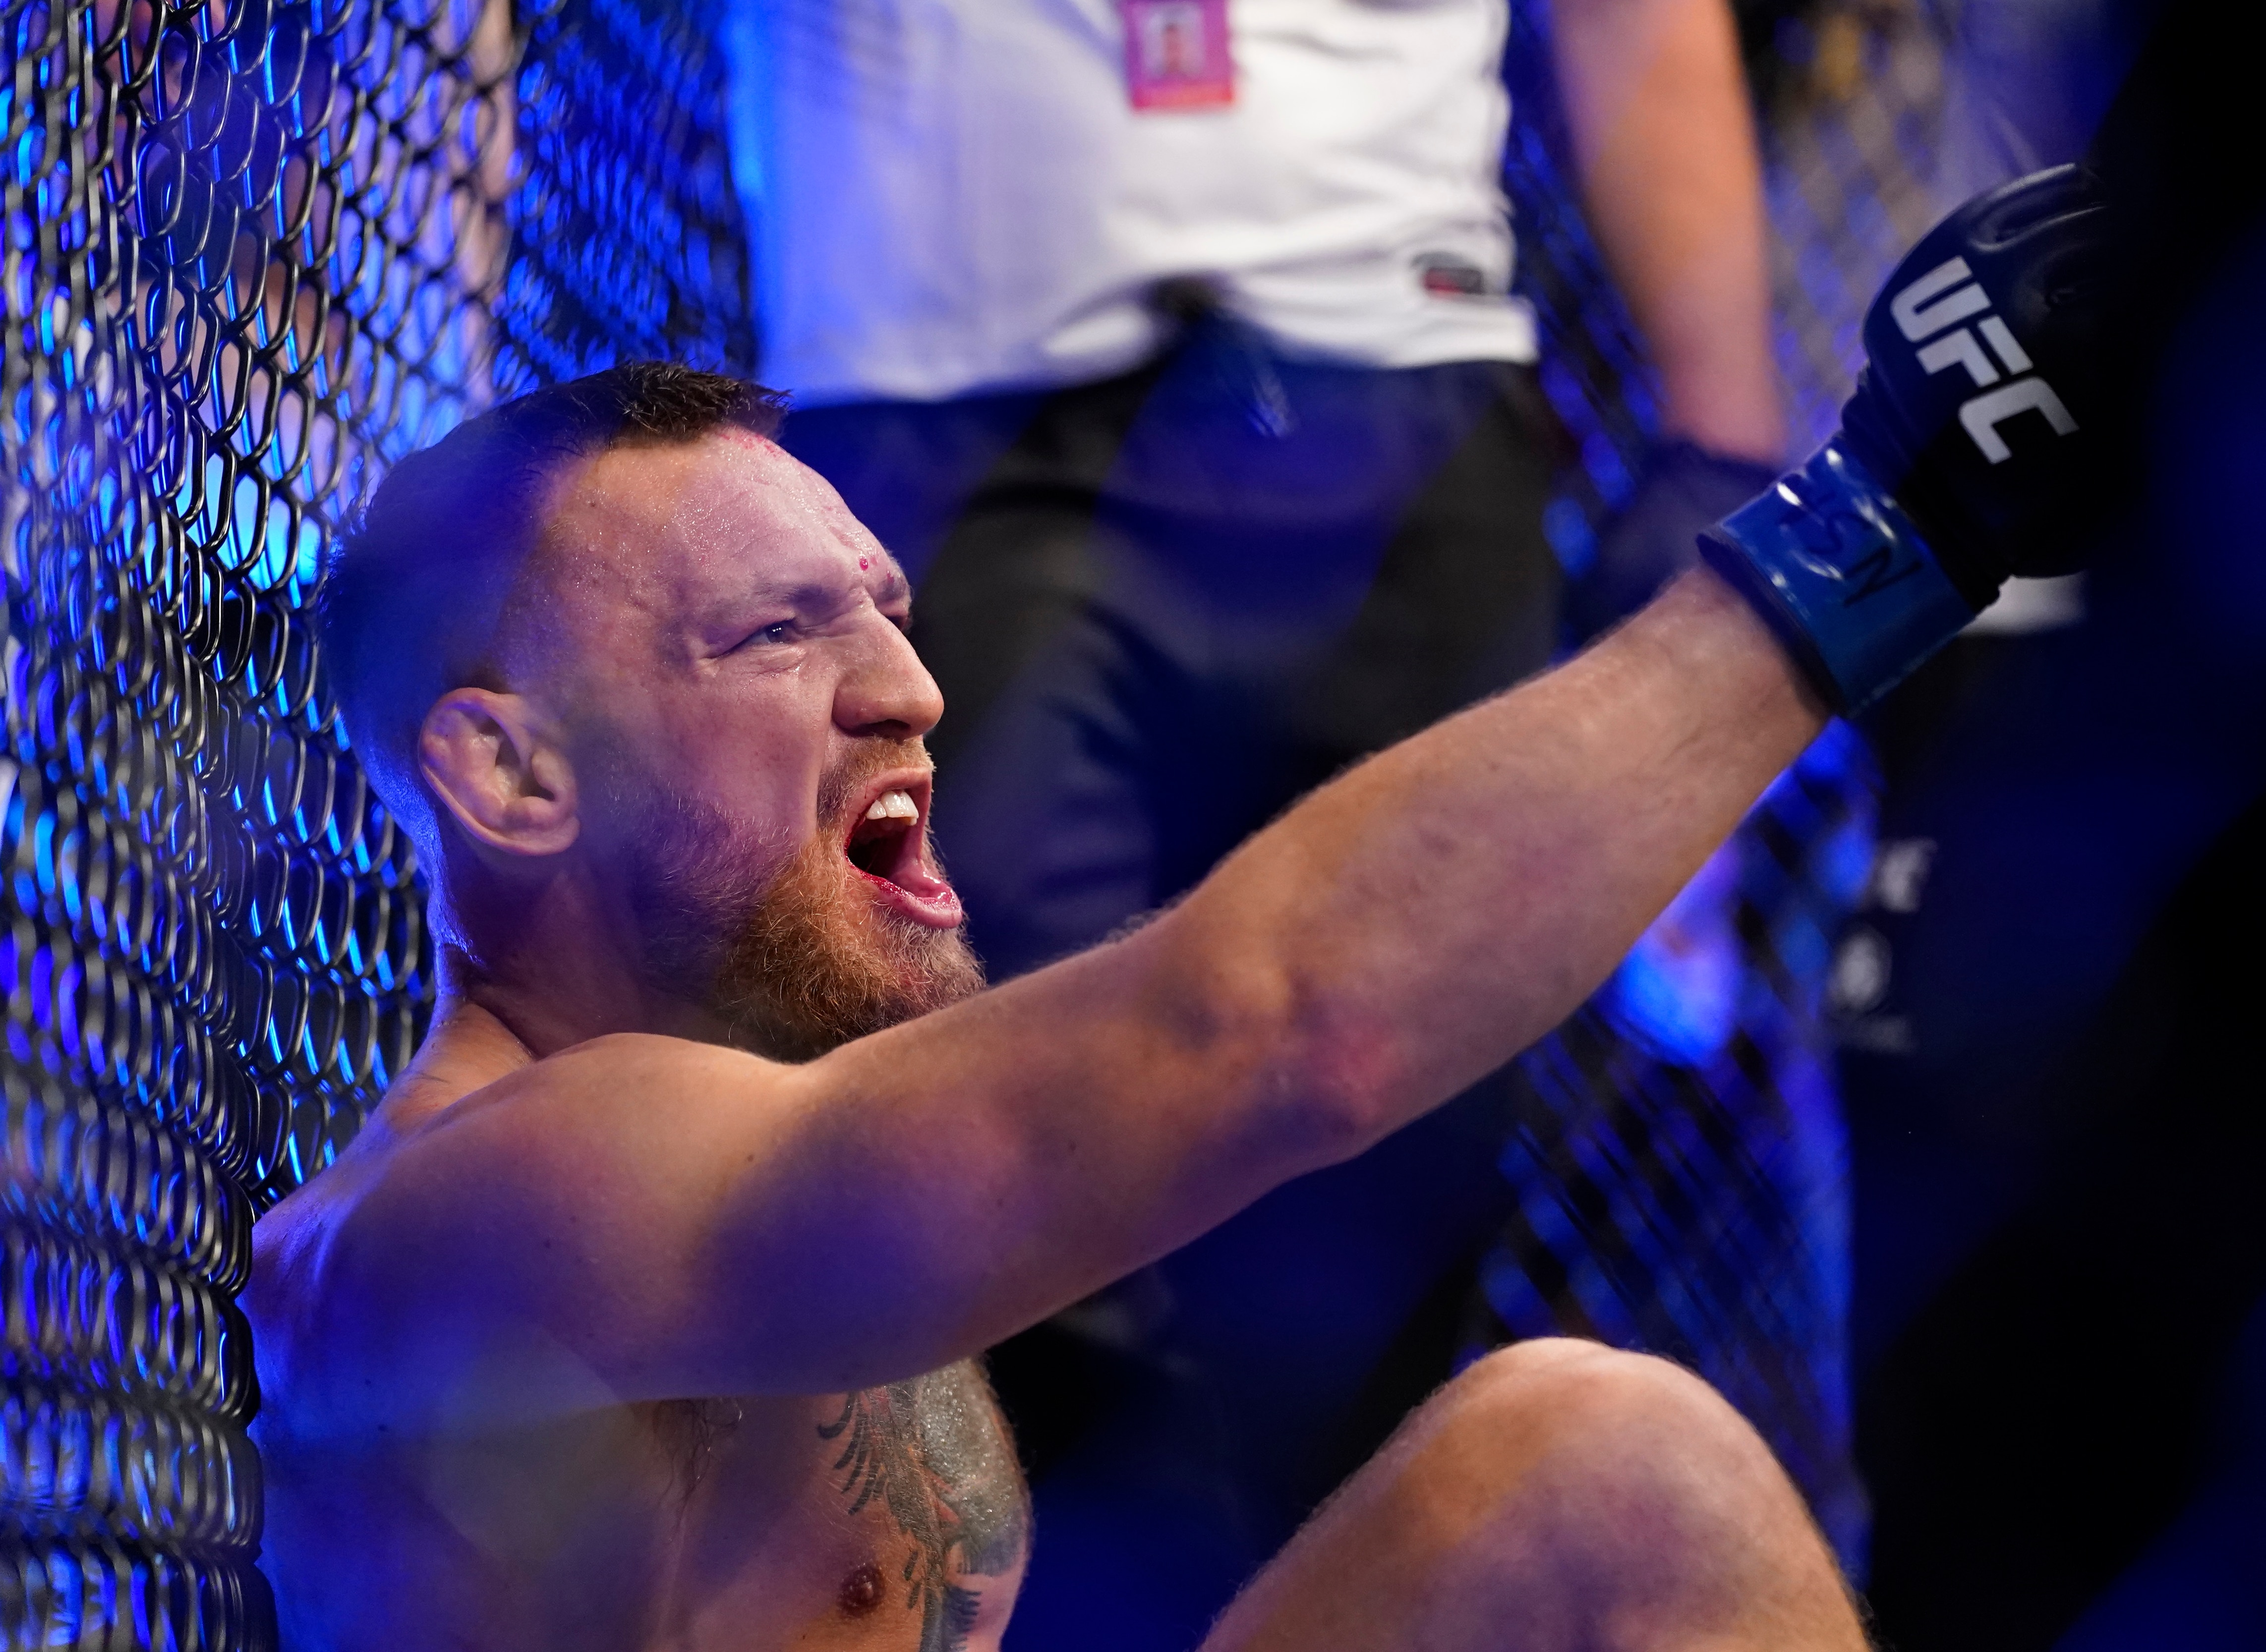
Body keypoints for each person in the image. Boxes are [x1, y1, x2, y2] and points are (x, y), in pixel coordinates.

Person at [247, 170, 2107, 1652]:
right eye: (774, 635)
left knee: (1589, 1465)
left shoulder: (775, 1138)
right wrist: (1889, 514)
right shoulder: (479, 1216)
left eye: (887, 609)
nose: (909, 688)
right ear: (515, 778)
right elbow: (1273, 1027)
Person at [725, 6, 1805, 1610]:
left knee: (1388, 1205)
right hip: (950, 399)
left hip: (1402, 387)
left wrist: (1722, 447)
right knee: (1012, 1166)